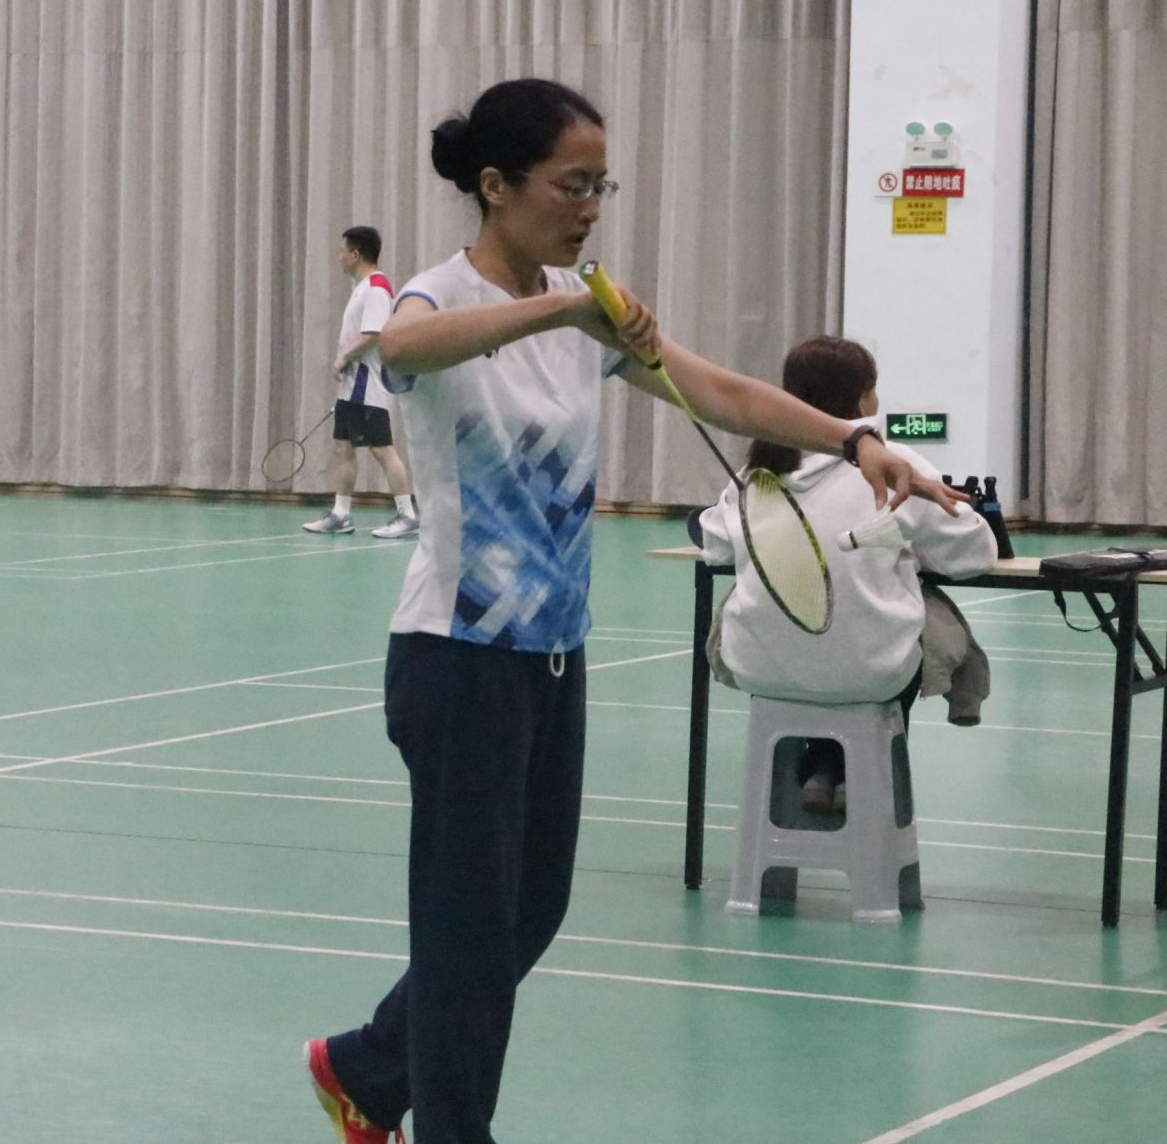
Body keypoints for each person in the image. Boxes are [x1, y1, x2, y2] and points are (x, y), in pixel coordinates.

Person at [302, 78, 960, 1144]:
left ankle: (367, 1069)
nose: (589, 207)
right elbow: (402, 352)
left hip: (551, 658)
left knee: (530, 910)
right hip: (458, 657)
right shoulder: (438, 294)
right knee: (468, 933)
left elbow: (721, 391)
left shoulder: (587, 311)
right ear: (495, 185)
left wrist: (855, 439)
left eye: (599, 186)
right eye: (571, 185)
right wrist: (564, 308)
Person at [699, 336, 996, 812]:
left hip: (758, 667)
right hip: (873, 672)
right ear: (862, 400)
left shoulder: (756, 471)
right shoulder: (897, 463)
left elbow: (714, 546)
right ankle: (845, 775)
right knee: (928, 618)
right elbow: (974, 554)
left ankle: (822, 767)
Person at [302, 225, 420, 539]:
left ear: (355, 254)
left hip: (367, 383)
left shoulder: (377, 288)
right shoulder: (362, 287)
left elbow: (374, 334)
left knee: (381, 449)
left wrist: (344, 357)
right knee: (343, 446)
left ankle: (407, 515)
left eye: (342, 251)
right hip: (352, 383)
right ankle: (341, 514)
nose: (338, 257)